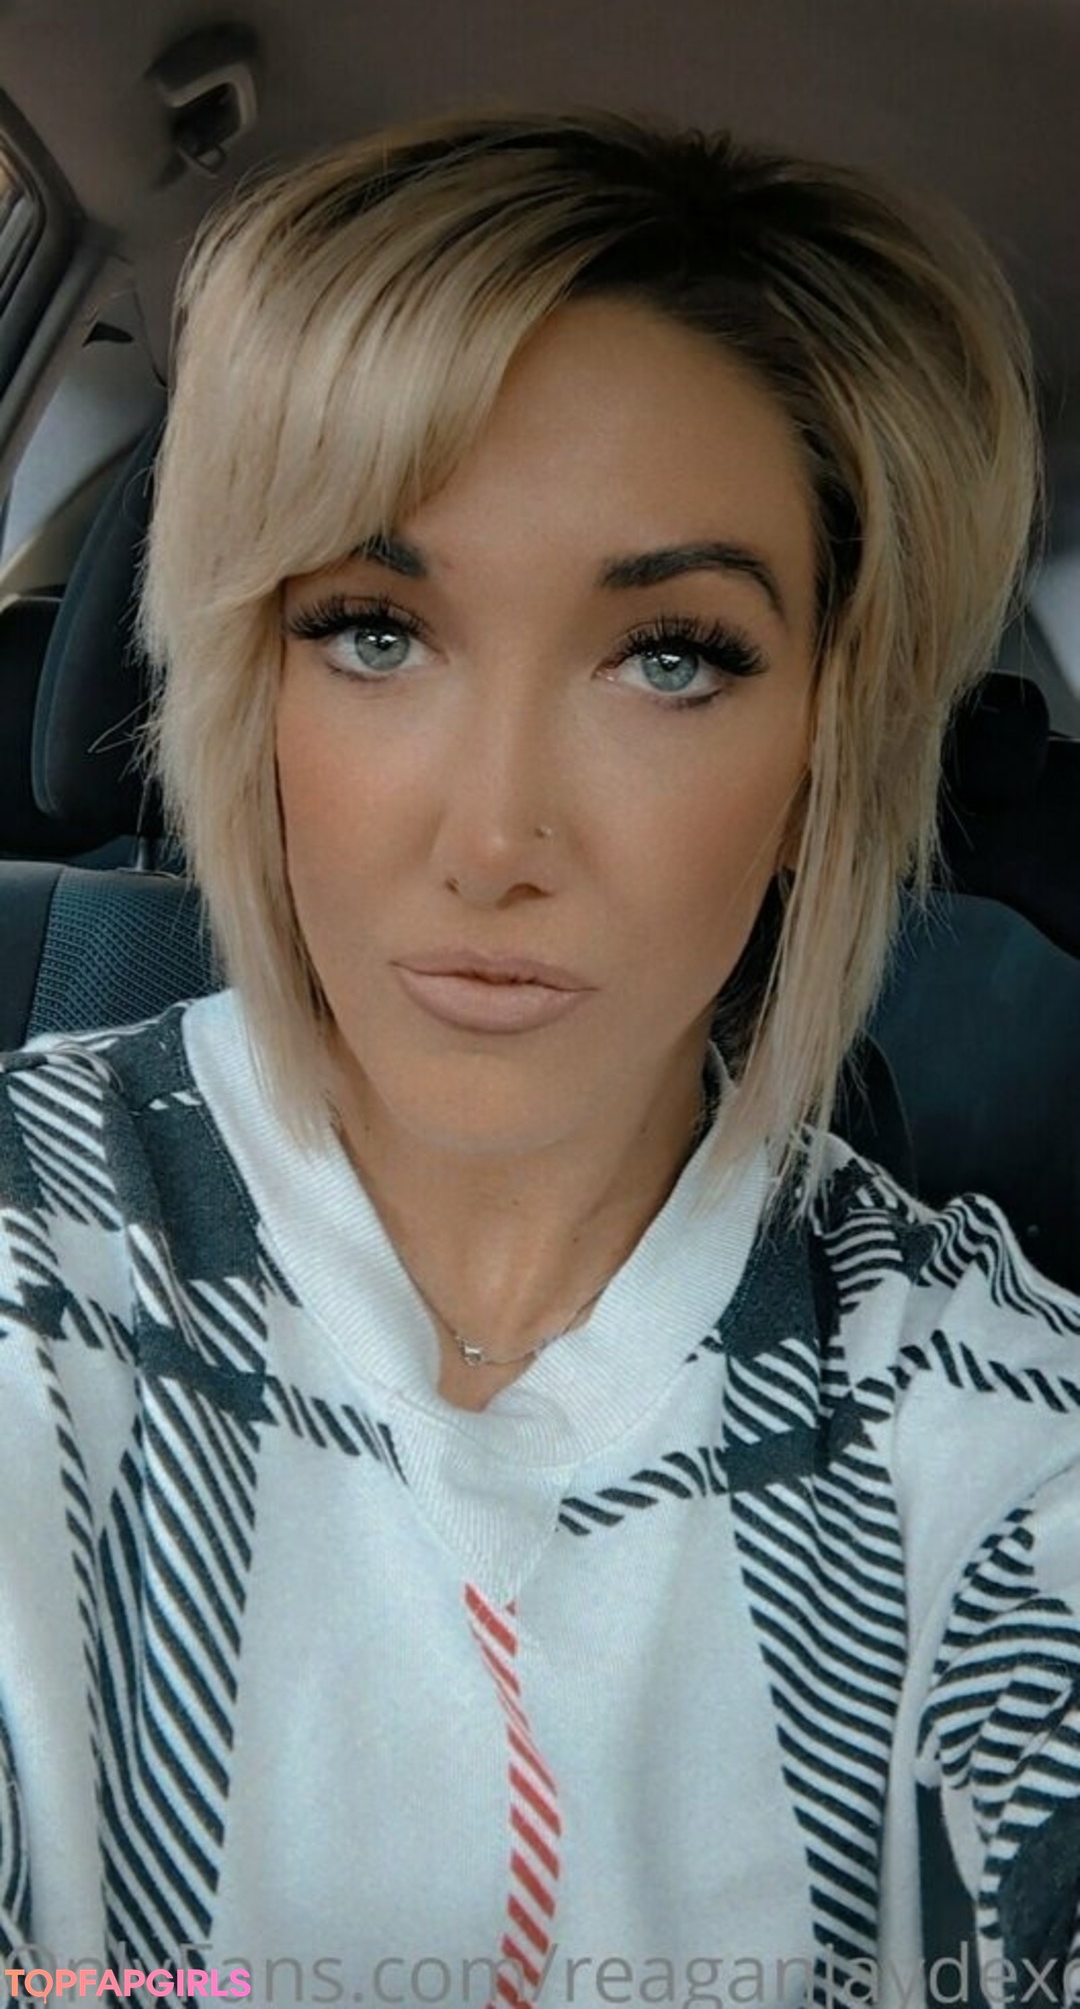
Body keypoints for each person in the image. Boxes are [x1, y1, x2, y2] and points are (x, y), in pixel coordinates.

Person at [0, 107, 1077, 2009]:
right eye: (374, 630)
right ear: (249, 675)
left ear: (827, 735)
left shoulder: (994, 1437)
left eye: (671, 656)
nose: (495, 836)